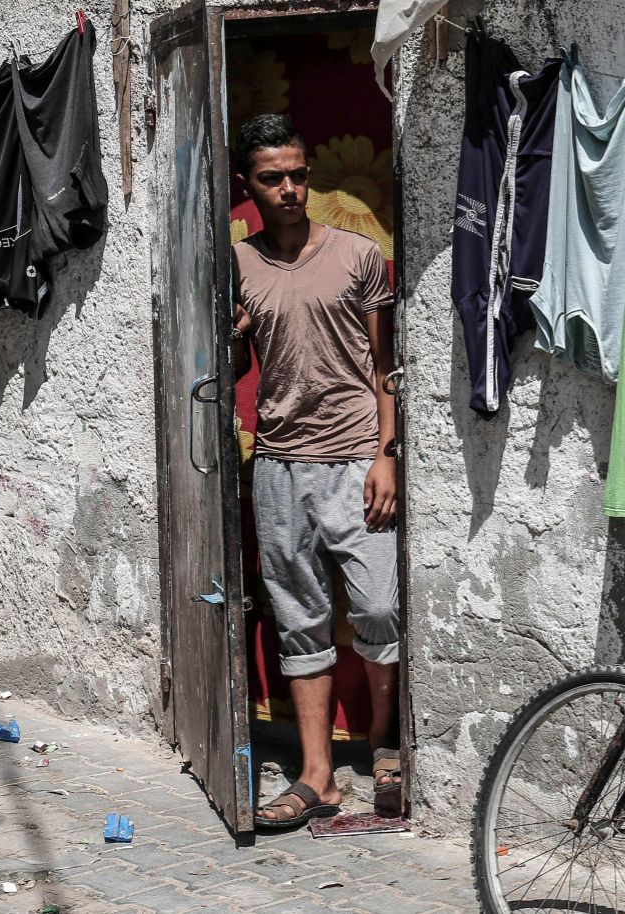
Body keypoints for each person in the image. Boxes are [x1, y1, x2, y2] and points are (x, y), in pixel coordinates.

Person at [229, 114, 403, 830]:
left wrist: (388, 454)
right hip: (278, 465)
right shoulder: (235, 265)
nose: (292, 188)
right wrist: (229, 338)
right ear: (249, 187)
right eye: (274, 178)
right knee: (299, 620)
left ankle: (386, 739)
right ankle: (317, 778)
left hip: (358, 455)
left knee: (381, 608)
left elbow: (388, 367)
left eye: (300, 174)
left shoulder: (360, 256)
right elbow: (227, 369)